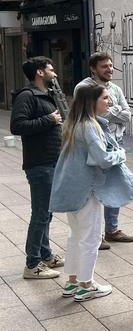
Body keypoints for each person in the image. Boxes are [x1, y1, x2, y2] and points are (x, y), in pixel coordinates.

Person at [50, 84, 133, 301]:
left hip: (72, 189)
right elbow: (101, 159)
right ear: (93, 101)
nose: (109, 102)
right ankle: (86, 285)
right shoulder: (90, 126)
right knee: (91, 238)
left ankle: (72, 282)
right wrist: (121, 154)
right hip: (87, 190)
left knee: (76, 236)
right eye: (105, 98)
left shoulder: (73, 124)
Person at [10, 57, 64, 279]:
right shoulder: (27, 96)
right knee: (41, 213)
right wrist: (48, 119)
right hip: (39, 164)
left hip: (51, 161)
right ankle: (32, 264)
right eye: (51, 69)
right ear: (40, 73)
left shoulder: (46, 94)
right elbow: (17, 126)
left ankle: (45, 254)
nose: (55, 73)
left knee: (47, 213)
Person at [74, 52, 133, 249]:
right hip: (94, 143)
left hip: (115, 142)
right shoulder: (83, 88)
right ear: (93, 68)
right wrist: (114, 112)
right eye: (104, 66)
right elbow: (91, 115)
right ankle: (96, 235)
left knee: (114, 185)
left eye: (110, 66)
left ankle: (112, 230)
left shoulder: (115, 88)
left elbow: (128, 115)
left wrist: (110, 111)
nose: (109, 69)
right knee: (94, 190)